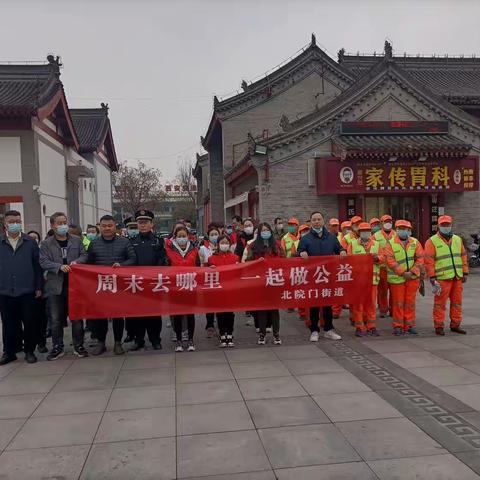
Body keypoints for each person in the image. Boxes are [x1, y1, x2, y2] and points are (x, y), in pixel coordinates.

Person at [40, 212, 89, 360]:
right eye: (59, 223)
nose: (62, 226)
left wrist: (77, 262)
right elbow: (43, 261)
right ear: (52, 225)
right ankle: (57, 346)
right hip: (55, 286)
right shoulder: (46, 243)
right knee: (55, 319)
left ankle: (78, 345)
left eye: (64, 222)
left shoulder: (76, 240)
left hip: (75, 286)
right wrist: (59, 267)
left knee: (77, 318)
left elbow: (84, 255)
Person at [87, 214, 137, 355]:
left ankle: (117, 343)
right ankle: (101, 342)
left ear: (115, 226)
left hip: (119, 285)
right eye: (104, 226)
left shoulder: (124, 242)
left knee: (117, 315)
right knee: (100, 316)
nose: (107, 228)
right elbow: (88, 262)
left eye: (110, 225)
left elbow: (133, 259)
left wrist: (122, 265)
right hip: (101, 285)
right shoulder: (94, 243)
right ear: (100, 227)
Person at [0, 210, 43, 365]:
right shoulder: (1, 242)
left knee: (30, 322)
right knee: (8, 323)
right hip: (5, 290)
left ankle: (29, 351)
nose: (15, 224)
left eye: (17, 221)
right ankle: (9, 352)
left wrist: (39, 286)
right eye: (11, 221)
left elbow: (37, 266)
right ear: (5, 223)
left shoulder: (29, 242)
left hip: (28, 289)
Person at [297, 211, 344, 342]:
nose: (317, 221)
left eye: (319, 219)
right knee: (314, 305)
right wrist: (301, 253)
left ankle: (328, 329)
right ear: (311, 222)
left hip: (327, 275)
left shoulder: (331, 237)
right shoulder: (305, 238)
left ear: (323, 221)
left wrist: (342, 251)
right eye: (314, 220)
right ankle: (314, 330)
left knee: (327, 304)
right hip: (312, 277)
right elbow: (298, 252)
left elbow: (338, 248)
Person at [424, 215, 468, 336]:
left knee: (457, 302)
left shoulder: (457, 240)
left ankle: (455, 324)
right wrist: (432, 277)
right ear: (438, 226)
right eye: (443, 225)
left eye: (448, 224)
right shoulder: (431, 241)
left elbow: (463, 256)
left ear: (451, 225)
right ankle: (439, 326)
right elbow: (429, 261)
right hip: (442, 278)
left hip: (457, 277)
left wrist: (465, 272)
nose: (446, 227)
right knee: (440, 304)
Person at [129, 209, 167, 350]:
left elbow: (162, 260)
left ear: (152, 224)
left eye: (145, 222)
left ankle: (155, 339)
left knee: (154, 314)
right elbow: (129, 260)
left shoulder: (158, 240)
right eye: (140, 222)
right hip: (136, 283)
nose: (142, 225)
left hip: (153, 282)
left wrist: (154, 275)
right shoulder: (131, 241)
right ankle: (139, 340)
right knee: (137, 313)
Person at [245, 222, 283, 345]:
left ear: (270, 232)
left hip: (274, 280)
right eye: (263, 231)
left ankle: (276, 333)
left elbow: (284, 261)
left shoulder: (276, 245)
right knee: (262, 310)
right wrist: (257, 262)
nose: (265, 232)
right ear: (259, 233)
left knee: (274, 310)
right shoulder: (253, 246)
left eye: (267, 230)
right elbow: (248, 262)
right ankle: (262, 334)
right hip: (260, 281)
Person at [384, 220, 424, 336]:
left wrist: (412, 271)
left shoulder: (415, 242)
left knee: (410, 303)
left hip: (412, 278)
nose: (403, 231)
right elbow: (389, 260)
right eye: (401, 228)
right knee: (398, 303)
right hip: (397, 279)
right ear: (396, 230)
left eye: (405, 229)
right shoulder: (390, 243)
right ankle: (398, 326)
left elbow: (420, 258)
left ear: (409, 230)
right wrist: (402, 272)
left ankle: (409, 325)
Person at [165, 225, 199, 352]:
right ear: (175, 237)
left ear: (188, 236)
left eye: (184, 236)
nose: (182, 238)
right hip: (175, 287)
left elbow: (199, 267)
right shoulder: (169, 251)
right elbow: (165, 267)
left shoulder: (194, 250)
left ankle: (190, 339)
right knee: (177, 314)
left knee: (190, 315)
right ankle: (178, 340)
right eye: (179, 236)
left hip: (190, 286)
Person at [347, 222, 382, 337]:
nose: (365, 233)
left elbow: (384, 259)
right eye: (363, 231)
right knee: (358, 304)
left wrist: (378, 258)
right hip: (359, 281)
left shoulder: (377, 244)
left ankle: (371, 326)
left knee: (371, 304)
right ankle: (359, 327)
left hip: (372, 280)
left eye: (367, 231)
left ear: (370, 232)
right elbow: (348, 261)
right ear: (359, 233)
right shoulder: (352, 245)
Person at [208, 235, 239, 347]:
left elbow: (239, 274)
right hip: (218, 290)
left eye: (226, 242)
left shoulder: (235, 258)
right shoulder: (212, 259)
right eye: (222, 242)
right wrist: (209, 268)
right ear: (218, 244)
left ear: (229, 244)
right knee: (220, 313)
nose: (224, 245)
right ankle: (222, 334)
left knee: (230, 314)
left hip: (231, 290)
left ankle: (230, 334)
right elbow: (206, 274)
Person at [27, 231, 48, 354]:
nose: (33, 240)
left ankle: (41, 342)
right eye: (31, 238)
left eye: (35, 238)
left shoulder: (42, 250)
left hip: (41, 290)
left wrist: (39, 286)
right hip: (27, 289)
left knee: (41, 318)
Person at [199, 225, 221, 337]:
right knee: (209, 304)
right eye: (212, 234)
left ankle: (221, 325)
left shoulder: (223, 246)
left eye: (216, 234)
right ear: (208, 236)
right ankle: (210, 325)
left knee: (221, 303)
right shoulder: (203, 249)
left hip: (222, 279)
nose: (214, 236)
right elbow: (201, 264)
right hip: (208, 279)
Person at [375, 214, 396, 317]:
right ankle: (383, 309)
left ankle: (393, 310)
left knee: (394, 291)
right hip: (382, 268)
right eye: (385, 222)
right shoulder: (375, 236)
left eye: (389, 221)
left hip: (394, 269)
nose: (388, 223)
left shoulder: (396, 235)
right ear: (381, 223)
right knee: (382, 290)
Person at [123, 216, 139, 343]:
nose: (133, 230)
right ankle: (130, 333)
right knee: (128, 310)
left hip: (144, 279)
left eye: (135, 227)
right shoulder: (123, 242)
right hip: (128, 280)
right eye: (131, 228)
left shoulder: (151, 240)